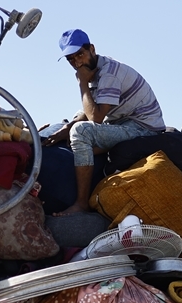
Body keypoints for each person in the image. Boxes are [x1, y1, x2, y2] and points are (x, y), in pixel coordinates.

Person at [46, 29, 165, 215]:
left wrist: (82, 84)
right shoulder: (95, 71)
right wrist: (66, 128)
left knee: (81, 132)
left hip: (143, 128)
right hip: (122, 123)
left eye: (80, 54)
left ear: (92, 49)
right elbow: (90, 109)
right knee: (75, 135)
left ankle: (81, 203)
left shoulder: (108, 73)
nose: (77, 63)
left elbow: (96, 118)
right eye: (71, 59)